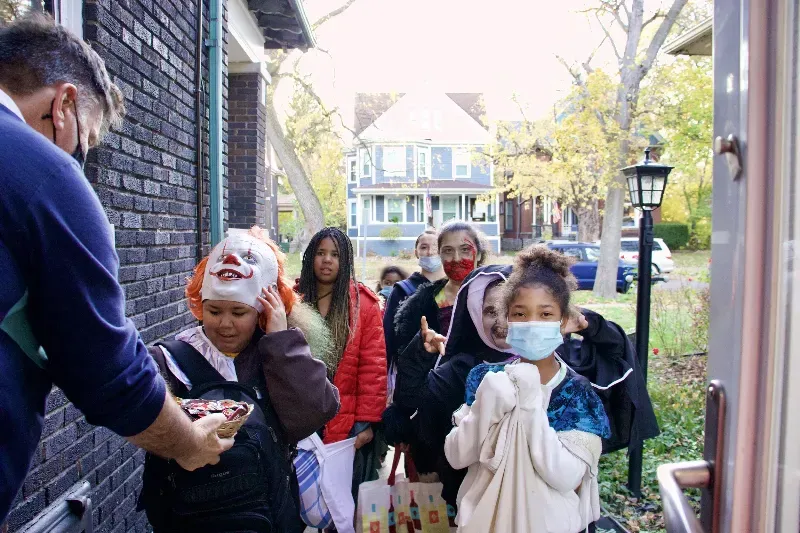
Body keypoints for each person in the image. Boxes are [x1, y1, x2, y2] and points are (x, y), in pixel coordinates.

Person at [0, 15, 230, 521]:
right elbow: (107, 372)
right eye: (85, 144)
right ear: (62, 106)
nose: (77, 162)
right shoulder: (44, 174)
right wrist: (189, 440)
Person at [139, 227, 340, 531]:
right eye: (214, 311)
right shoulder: (169, 359)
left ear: (262, 309)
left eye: (239, 312)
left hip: (269, 513)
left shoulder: (276, 352)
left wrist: (282, 341)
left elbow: (315, 412)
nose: (225, 324)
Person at [444, 246, 611, 533]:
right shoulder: (486, 378)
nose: (532, 323)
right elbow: (458, 456)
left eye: (545, 314)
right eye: (520, 314)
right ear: (506, 320)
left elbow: (565, 476)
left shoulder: (577, 394)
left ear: (562, 322)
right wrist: (488, 404)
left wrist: (530, 397)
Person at [296, 227, 388, 500]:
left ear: (345, 260)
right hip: (301, 420)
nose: (327, 260)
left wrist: (364, 424)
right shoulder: (293, 298)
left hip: (346, 424)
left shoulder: (363, 304)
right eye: (321, 253)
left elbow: (373, 367)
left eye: (335, 254)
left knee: (341, 503)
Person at [390, 221, 489, 473]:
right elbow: (406, 363)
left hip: (488, 414)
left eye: (465, 250)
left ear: (478, 251)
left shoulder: (498, 294)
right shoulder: (420, 304)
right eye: (447, 251)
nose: (457, 258)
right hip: (435, 414)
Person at [382, 229, 444, 374]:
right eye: (423, 247)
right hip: (409, 371)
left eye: (435, 247)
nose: (429, 252)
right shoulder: (402, 290)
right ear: (416, 252)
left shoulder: (452, 288)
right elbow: (388, 338)